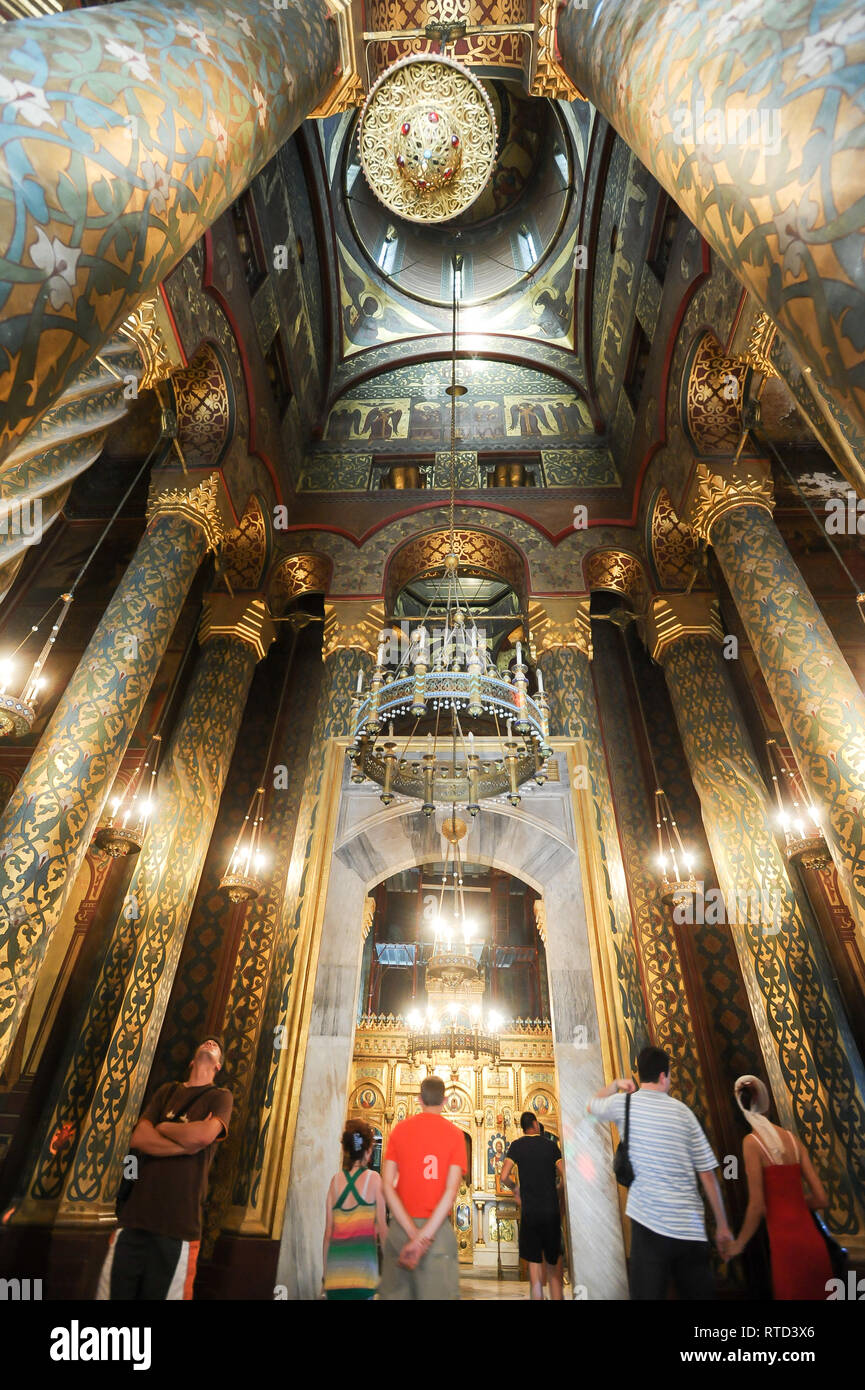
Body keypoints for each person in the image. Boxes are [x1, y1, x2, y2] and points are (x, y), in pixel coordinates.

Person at [587, 1046, 732, 1300]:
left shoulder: (625, 1104)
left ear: (640, 1074)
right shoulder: (684, 1113)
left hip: (648, 1223)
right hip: (689, 1227)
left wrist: (615, 1084)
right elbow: (707, 1174)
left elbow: (591, 1105)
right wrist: (722, 1225)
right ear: (664, 1076)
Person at [96, 1035, 232, 1300]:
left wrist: (164, 1126)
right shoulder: (167, 1091)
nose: (210, 1043)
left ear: (218, 1067)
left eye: (216, 1046)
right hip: (135, 1217)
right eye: (205, 1042)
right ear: (193, 1060)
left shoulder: (221, 1097)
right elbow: (139, 1138)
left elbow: (205, 1135)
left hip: (178, 1225)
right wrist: (185, 1145)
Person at [725, 1075, 831, 1298]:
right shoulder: (793, 1140)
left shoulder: (752, 1144)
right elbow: (822, 1198)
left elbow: (757, 1206)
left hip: (785, 1245)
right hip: (813, 1243)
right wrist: (795, 1203)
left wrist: (739, 1243)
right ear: (766, 1101)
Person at [379, 1075, 466, 1300]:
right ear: (445, 1100)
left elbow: (387, 1185)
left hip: (400, 1233)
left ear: (419, 1099)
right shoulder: (456, 1135)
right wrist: (423, 1238)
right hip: (436, 1235)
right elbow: (450, 1193)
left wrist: (411, 1234)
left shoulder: (399, 1130)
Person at [500, 1111, 564, 1300]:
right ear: (536, 1124)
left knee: (535, 1267)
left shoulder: (517, 1146)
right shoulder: (551, 1146)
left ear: (523, 1127)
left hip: (530, 1213)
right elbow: (565, 1178)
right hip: (551, 1212)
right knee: (554, 1271)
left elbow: (504, 1176)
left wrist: (515, 1189)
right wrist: (557, 1191)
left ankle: (536, 1293)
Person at [321, 1120, 387, 1301]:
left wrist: (325, 1277)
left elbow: (328, 1233)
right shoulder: (374, 1179)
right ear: (367, 1152)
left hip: (335, 1280)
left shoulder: (335, 1182)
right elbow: (382, 1228)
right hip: (363, 1278)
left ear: (347, 1150)